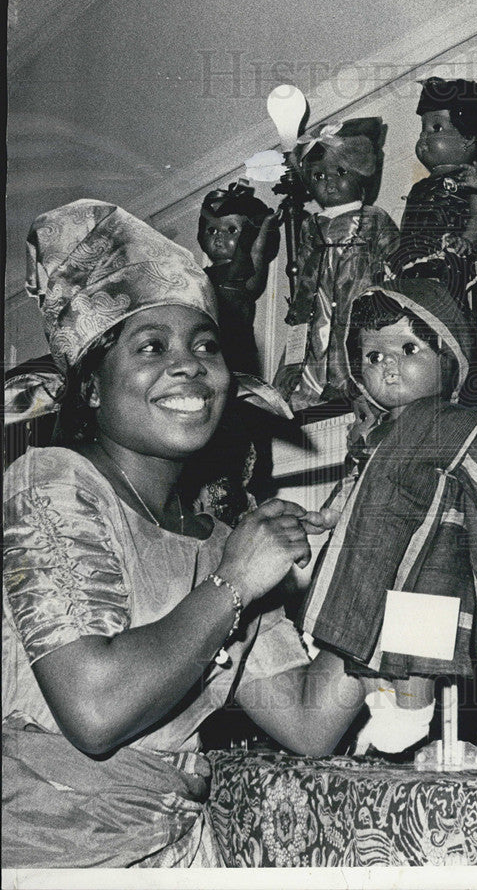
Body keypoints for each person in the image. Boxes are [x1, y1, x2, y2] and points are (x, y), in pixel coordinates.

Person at [2, 199, 366, 868]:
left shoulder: (220, 534)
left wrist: (378, 555)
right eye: (151, 348)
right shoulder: (50, 484)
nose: (190, 365)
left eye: (206, 346)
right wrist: (233, 582)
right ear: (90, 390)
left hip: (175, 849)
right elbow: (95, 708)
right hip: (55, 857)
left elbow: (310, 721)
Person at [299, 278, 477, 755]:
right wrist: (329, 516)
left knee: (418, 643)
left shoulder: (447, 420)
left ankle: (414, 712)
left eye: (408, 348)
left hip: (431, 556)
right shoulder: (373, 432)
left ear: (447, 359)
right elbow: (354, 481)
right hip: (372, 554)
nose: (387, 365)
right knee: (360, 636)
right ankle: (384, 709)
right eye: (373, 356)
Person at [273, 118, 400, 411]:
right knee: (313, 341)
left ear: (361, 175)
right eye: (318, 176)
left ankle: (348, 385)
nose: (329, 182)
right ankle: (308, 388)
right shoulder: (311, 225)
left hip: (356, 295)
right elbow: (303, 265)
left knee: (351, 336)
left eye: (340, 172)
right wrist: (299, 307)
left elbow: (398, 256)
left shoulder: (373, 217)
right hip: (317, 298)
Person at [389, 76, 477, 303]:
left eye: (436, 128)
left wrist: (468, 239)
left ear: (468, 137)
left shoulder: (468, 177)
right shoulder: (419, 186)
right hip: (415, 259)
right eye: (422, 129)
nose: (424, 136)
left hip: (447, 259)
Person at [197, 179, 280, 376]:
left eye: (231, 230)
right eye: (211, 230)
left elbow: (256, 255)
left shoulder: (242, 274)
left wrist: (263, 227)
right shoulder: (200, 276)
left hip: (236, 350)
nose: (218, 237)